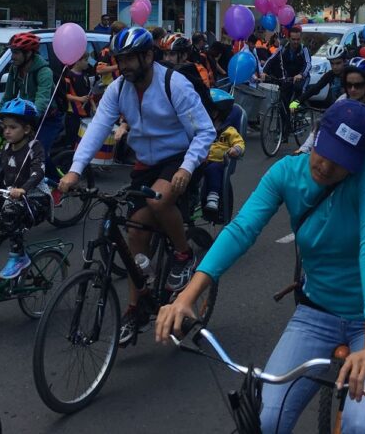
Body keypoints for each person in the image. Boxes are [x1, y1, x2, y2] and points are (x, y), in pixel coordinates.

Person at [156, 101, 365, 432]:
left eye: (342, 162)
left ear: (359, 161)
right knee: (265, 420)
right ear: (316, 136)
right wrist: (186, 297)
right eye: (325, 152)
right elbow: (240, 231)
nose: (326, 166)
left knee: (361, 426)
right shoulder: (285, 172)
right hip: (318, 312)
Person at [59, 27, 215, 345]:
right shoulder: (119, 90)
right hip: (145, 164)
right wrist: (75, 171)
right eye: (121, 59)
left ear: (148, 56)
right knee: (134, 233)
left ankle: (183, 255)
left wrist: (187, 167)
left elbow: (205, 131)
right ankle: (136, 308)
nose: (125, 65)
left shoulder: (175, 84)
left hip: (180, 157)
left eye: (131, 58)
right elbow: (97, 128)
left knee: (159, 200)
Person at [0, 100, 52, 322]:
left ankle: (19, 256)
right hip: (14, 204)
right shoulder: (5, 149)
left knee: (11, 213)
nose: (6, 131)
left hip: (36, 202)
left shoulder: (34, 147)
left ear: (27, 129)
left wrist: (23, 190)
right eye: (5, 126)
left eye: (12, 127)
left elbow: (38, 173)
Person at [0, 32, 63, 174]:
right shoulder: (15, 69)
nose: (12, 57)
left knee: (39, 153)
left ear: (28, 53)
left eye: (16, 53)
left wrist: (31, 117)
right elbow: (8, 95)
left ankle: (57, 183)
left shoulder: (44, 71)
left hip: (48, 119)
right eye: (12, 52)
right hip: (27, 118)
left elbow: (42, 99)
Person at [201, 89, 245, 218]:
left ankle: (213, 197)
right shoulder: (201, 127)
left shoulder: (229, 131)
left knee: (213, 170)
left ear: (216, 113)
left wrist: (236, 149)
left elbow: (239, 142)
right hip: (200, 160)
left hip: (218, 162)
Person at [261, 25, 312, 120]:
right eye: (293, 39)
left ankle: (300, 110)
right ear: (289, 38)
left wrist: (301, 74)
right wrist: (264, 72)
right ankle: (285, 128)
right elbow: (271, 59)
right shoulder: (283, 48)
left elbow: (308, 64)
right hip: (289, 78)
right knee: (283, 102)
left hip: (302, 77)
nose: (296, 42)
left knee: (299, 89)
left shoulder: (304, 49)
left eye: (298, 39)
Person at [296, 43, 346, 109]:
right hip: (335, 109)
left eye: (338, 63)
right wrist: (297, 101)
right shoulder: (330, 74)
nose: (335, 67)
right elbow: (316, 87)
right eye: (332, 63)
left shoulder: (350, 74)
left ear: (345, 61)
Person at [63, 50, 93, 147]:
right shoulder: (68, 75)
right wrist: (79, 99)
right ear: (77, 61)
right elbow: (66, 95)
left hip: (86, 113)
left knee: (83, 139)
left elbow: (89, 94)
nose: (87, 62)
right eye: (85, 60)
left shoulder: (85, 75)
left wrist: (93, 106)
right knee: (73, 140)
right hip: (73, 114)